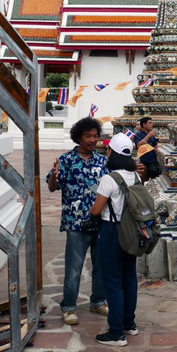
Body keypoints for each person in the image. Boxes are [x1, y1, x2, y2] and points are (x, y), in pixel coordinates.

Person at [47, 117, 109, 326]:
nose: (92, 140)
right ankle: (69, 307)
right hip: (76, 223)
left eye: (95, 136)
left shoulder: (102, 162)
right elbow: (52, 187)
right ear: (78, 137)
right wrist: (55, 176)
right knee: (74, 268)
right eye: (88, 136)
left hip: (101, 221)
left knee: (101, 265)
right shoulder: (66, 160)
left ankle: (98, 301)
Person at [89, 133, 140, 346]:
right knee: (129, 278)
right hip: (131, 232)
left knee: (112, 282)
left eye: (109, 149)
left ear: (114, 153)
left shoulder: (110, 179)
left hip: (111, 231)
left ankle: (116, 332)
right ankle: (130, 324)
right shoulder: (135, 177)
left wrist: (92, 209)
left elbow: (96, 210)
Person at [132, 116, 161, 181]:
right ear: (144, 125)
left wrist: (156, 147)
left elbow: (154, 145)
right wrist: (148, 136)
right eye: (149, 123)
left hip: (153, 161)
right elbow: (138, 145)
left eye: (152, 123)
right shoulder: (138, 135)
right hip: (144, 162)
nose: (152, 125)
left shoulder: (151, 135)